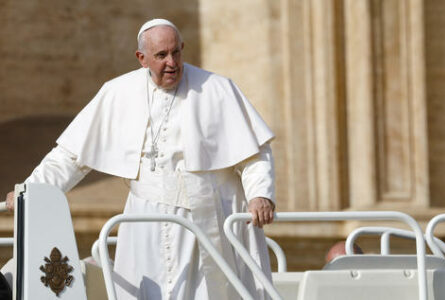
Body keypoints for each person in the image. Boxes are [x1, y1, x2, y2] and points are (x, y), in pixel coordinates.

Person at [5, 19, 276, 299]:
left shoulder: (217, 89)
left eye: (176, 52)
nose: (171, 62)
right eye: (161, 55)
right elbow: (72, 156)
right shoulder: (118, 92)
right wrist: (33, 190)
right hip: (143, 221)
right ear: (141, 58)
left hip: (203, 220)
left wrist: (260, 195)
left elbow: (254, 152)